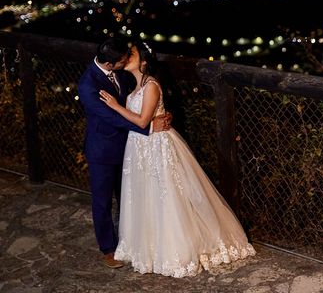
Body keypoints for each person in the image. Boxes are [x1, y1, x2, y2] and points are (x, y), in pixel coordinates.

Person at [99, 41, 255, 277]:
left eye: (131, 54)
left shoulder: (151, 85)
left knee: (167, 196)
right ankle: (147, 247)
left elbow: (142, 121)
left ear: (143, 62)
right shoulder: (134, 85)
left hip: (156, 147)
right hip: (140, 147)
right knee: (146, 197)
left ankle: (174, 248)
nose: (127, 57)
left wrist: (114, 106)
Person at [78, 38, 172, 269]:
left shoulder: (121, 73)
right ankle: (108, 248)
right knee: (102, 201)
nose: (127, 61)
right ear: (110, 64)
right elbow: (110, 117)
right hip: (103, 149)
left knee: (130, 195)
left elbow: (140, 97)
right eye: (123, 60)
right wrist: (148, 126)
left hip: (132, 145)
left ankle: (133, 240)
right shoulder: (87, 85)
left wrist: (157, 113)